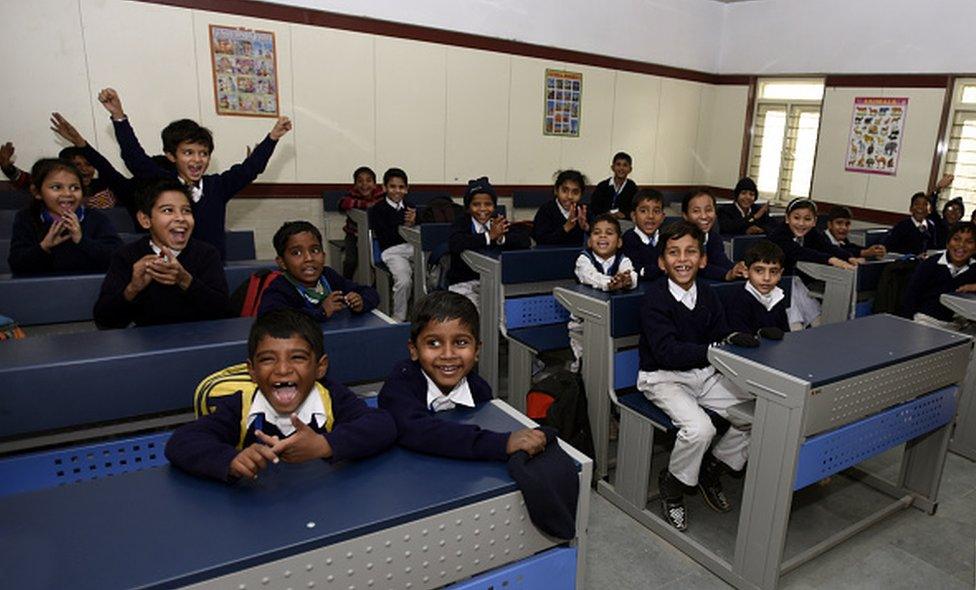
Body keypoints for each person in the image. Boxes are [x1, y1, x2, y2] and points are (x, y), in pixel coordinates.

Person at [164, 309, 397, 481]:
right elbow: (182, 441)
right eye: (267, 359)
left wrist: (324, 445)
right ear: (252, 371)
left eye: (297, 357)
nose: (283, 369)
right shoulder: (241, 406)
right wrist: (231, 460)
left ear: (320, 367)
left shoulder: (332, 397)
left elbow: (382, 424)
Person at [637, 221, 753, 531]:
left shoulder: (707, 293)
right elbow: (667, 353)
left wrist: (733, 337)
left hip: (703, 373)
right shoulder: (655, 299)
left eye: (690, 251)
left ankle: (712, 467)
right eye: (673, 253)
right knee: (700, 429)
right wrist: (716, 348)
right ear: (662, 262)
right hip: (663, 377)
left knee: (755, 412)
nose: (683, 259)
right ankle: (673, 486)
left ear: (702, 259)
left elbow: (718, 333)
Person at [97, 87, 292, 259]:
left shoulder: (218, 186)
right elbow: (134, 158)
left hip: (211, 274)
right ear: (171, 156)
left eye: (204, 154)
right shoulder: (164, 184)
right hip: (171, 271)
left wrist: (273, 137)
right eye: (188, 153)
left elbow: (250, 169)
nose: (197, 160)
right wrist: (118, 116)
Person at [377, 291, 547, 460]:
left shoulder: (479, 389)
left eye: (461, 342)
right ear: (413, 350)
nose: (448, 354)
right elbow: (418, 432)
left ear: (477, 351)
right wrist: (500, 444)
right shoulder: (398, 387)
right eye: (433, 343)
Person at [93, 179, 228, 328]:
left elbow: (223, 312)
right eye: (168, 210)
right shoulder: (127, 256)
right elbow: (104, 322)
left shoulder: (206, 254)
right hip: (147, 346)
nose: (180, 218)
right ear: (145, 220)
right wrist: (133, 288)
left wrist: (185, 280)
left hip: (200, 341)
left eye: (186, 211)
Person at [7, 158, 121, 275]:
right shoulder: (27, 218)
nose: (67, 194)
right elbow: (17, 265)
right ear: (37, 192)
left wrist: (82, 241)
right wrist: (44, 246)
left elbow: (118, 258)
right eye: (56, 187)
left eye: (74, 188)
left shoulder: (97, 218)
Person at [257, 221, 379, 320]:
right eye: (296, 253)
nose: (309, 258)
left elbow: (370, 293)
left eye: (315, 250)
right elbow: (272, 319)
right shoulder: (279, 288)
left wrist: (361, 302)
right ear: (282, 262)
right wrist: (321, 312)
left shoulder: (328, 276)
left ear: (324, 255)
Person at [768, 198, 858, 329]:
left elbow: (826, 246)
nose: (801, 223)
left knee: (817, 318)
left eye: (807, 219)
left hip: (794, 281)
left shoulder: (811, 233)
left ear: (814, 221)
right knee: (795, 323)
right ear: (787, 218)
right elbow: (799, 252)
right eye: (796, 218)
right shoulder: (779, 235)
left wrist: (849, 258)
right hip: (775, 282)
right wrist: (831, 260)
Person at [446, 177, 530, 306]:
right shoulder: (462, 222)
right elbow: (455, 243)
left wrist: (501, 238)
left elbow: (524, 240)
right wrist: (488, 237)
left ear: (494, 206)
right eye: (476, 204)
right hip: (464, 283)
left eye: (488, 204)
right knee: (472, 313)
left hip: (494, 281)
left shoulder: (498, 222)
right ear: (468, 207)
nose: (483, 209)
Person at [569, 213, 637, 371]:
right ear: (589, 241)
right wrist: (611, 283)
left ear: (619, 242)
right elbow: (591, 277)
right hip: (583, 323)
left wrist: (627, 281)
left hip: (612, 320)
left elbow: (631, 274)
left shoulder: (623, 259)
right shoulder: (583, 259)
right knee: (587, 364)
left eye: (609, 233)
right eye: (597, 232)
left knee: (612, 363)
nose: (603, 236)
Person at [902, 221, 976, 332]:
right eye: (956, 239)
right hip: (927, 321)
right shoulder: (931, 264)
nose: (961, 245)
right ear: (947, 243)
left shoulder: (974, 267)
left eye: (969, 242)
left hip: (959, 326)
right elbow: (910, 297)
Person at [368, 167, 415, 322]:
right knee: (404, 280)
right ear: (384, 188)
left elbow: (421, 230)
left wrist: (415, 222)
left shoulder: (411, 207)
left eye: (401, 187)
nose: (397, 191)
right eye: (393, 186)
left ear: (407, 189)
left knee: (430, 271)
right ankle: (398, 318)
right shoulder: (378, 209)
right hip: (392, 251)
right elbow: (386, 236)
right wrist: (405, 225)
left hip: (412, 248)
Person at [723, 240, 790, 335]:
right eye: (759, 271)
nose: (767, 278)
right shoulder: (737, 301)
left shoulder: (778, 297)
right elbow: (740, 340)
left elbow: (785, 334)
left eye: (773, 272)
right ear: (746, 271)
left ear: (780, 274)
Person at [682, 188, 747, 281]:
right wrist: (726, 275)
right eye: (696, 211)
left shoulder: (713, 237)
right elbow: (698, 268)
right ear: (685, 216)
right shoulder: (680, 240)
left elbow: (720, 260)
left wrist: (737, 268)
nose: (704, 216)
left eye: (708, 210)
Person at [338, 166, 384, 279]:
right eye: (360, 181)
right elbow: (343, 203)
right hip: (352, 234)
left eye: (368, 180)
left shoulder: (381, 195)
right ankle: (345, 282)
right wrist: (365, 205)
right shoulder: (351, 194)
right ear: (355, 184)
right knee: (351, 261)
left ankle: (378, 286)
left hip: (376, 235)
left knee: (378, 261)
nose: (364, 184)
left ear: (374, 183)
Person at [531, 170, 590, 246]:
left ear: (581, 194)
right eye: (565, 191)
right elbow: (540, 239)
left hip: (578, 255)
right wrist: (566, 228)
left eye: (575, 192)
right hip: (550, 255)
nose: (569, 196)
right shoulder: (546, 210)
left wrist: (586, 227)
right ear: (556, 190)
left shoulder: (583, 211)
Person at [622, 188, 667, 282]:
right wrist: (662, 268)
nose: (650, 216)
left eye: (656, 211)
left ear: (663, 217)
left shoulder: (667, 238)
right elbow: (636, 270)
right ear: (634, 216)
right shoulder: (629, 238)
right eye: (643, 211)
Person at [884, 191, 938, 256]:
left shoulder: (931, 226)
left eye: (925, 204)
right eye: (917, 204)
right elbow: (891, 248)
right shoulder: (902, 226)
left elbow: (932, 248)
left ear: (929, 210)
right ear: (911, 208)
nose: (920, 207)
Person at [589, 152, 637, 219]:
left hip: (623, 221)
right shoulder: (602, 186)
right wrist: (606, 213)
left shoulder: (632, 187)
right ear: (612, 167)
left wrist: (624, 214)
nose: (621, 168)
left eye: (625, 165)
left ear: (630, 169)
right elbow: (594, 207)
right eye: (618, 164)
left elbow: (635, 208)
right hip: (603, 219)